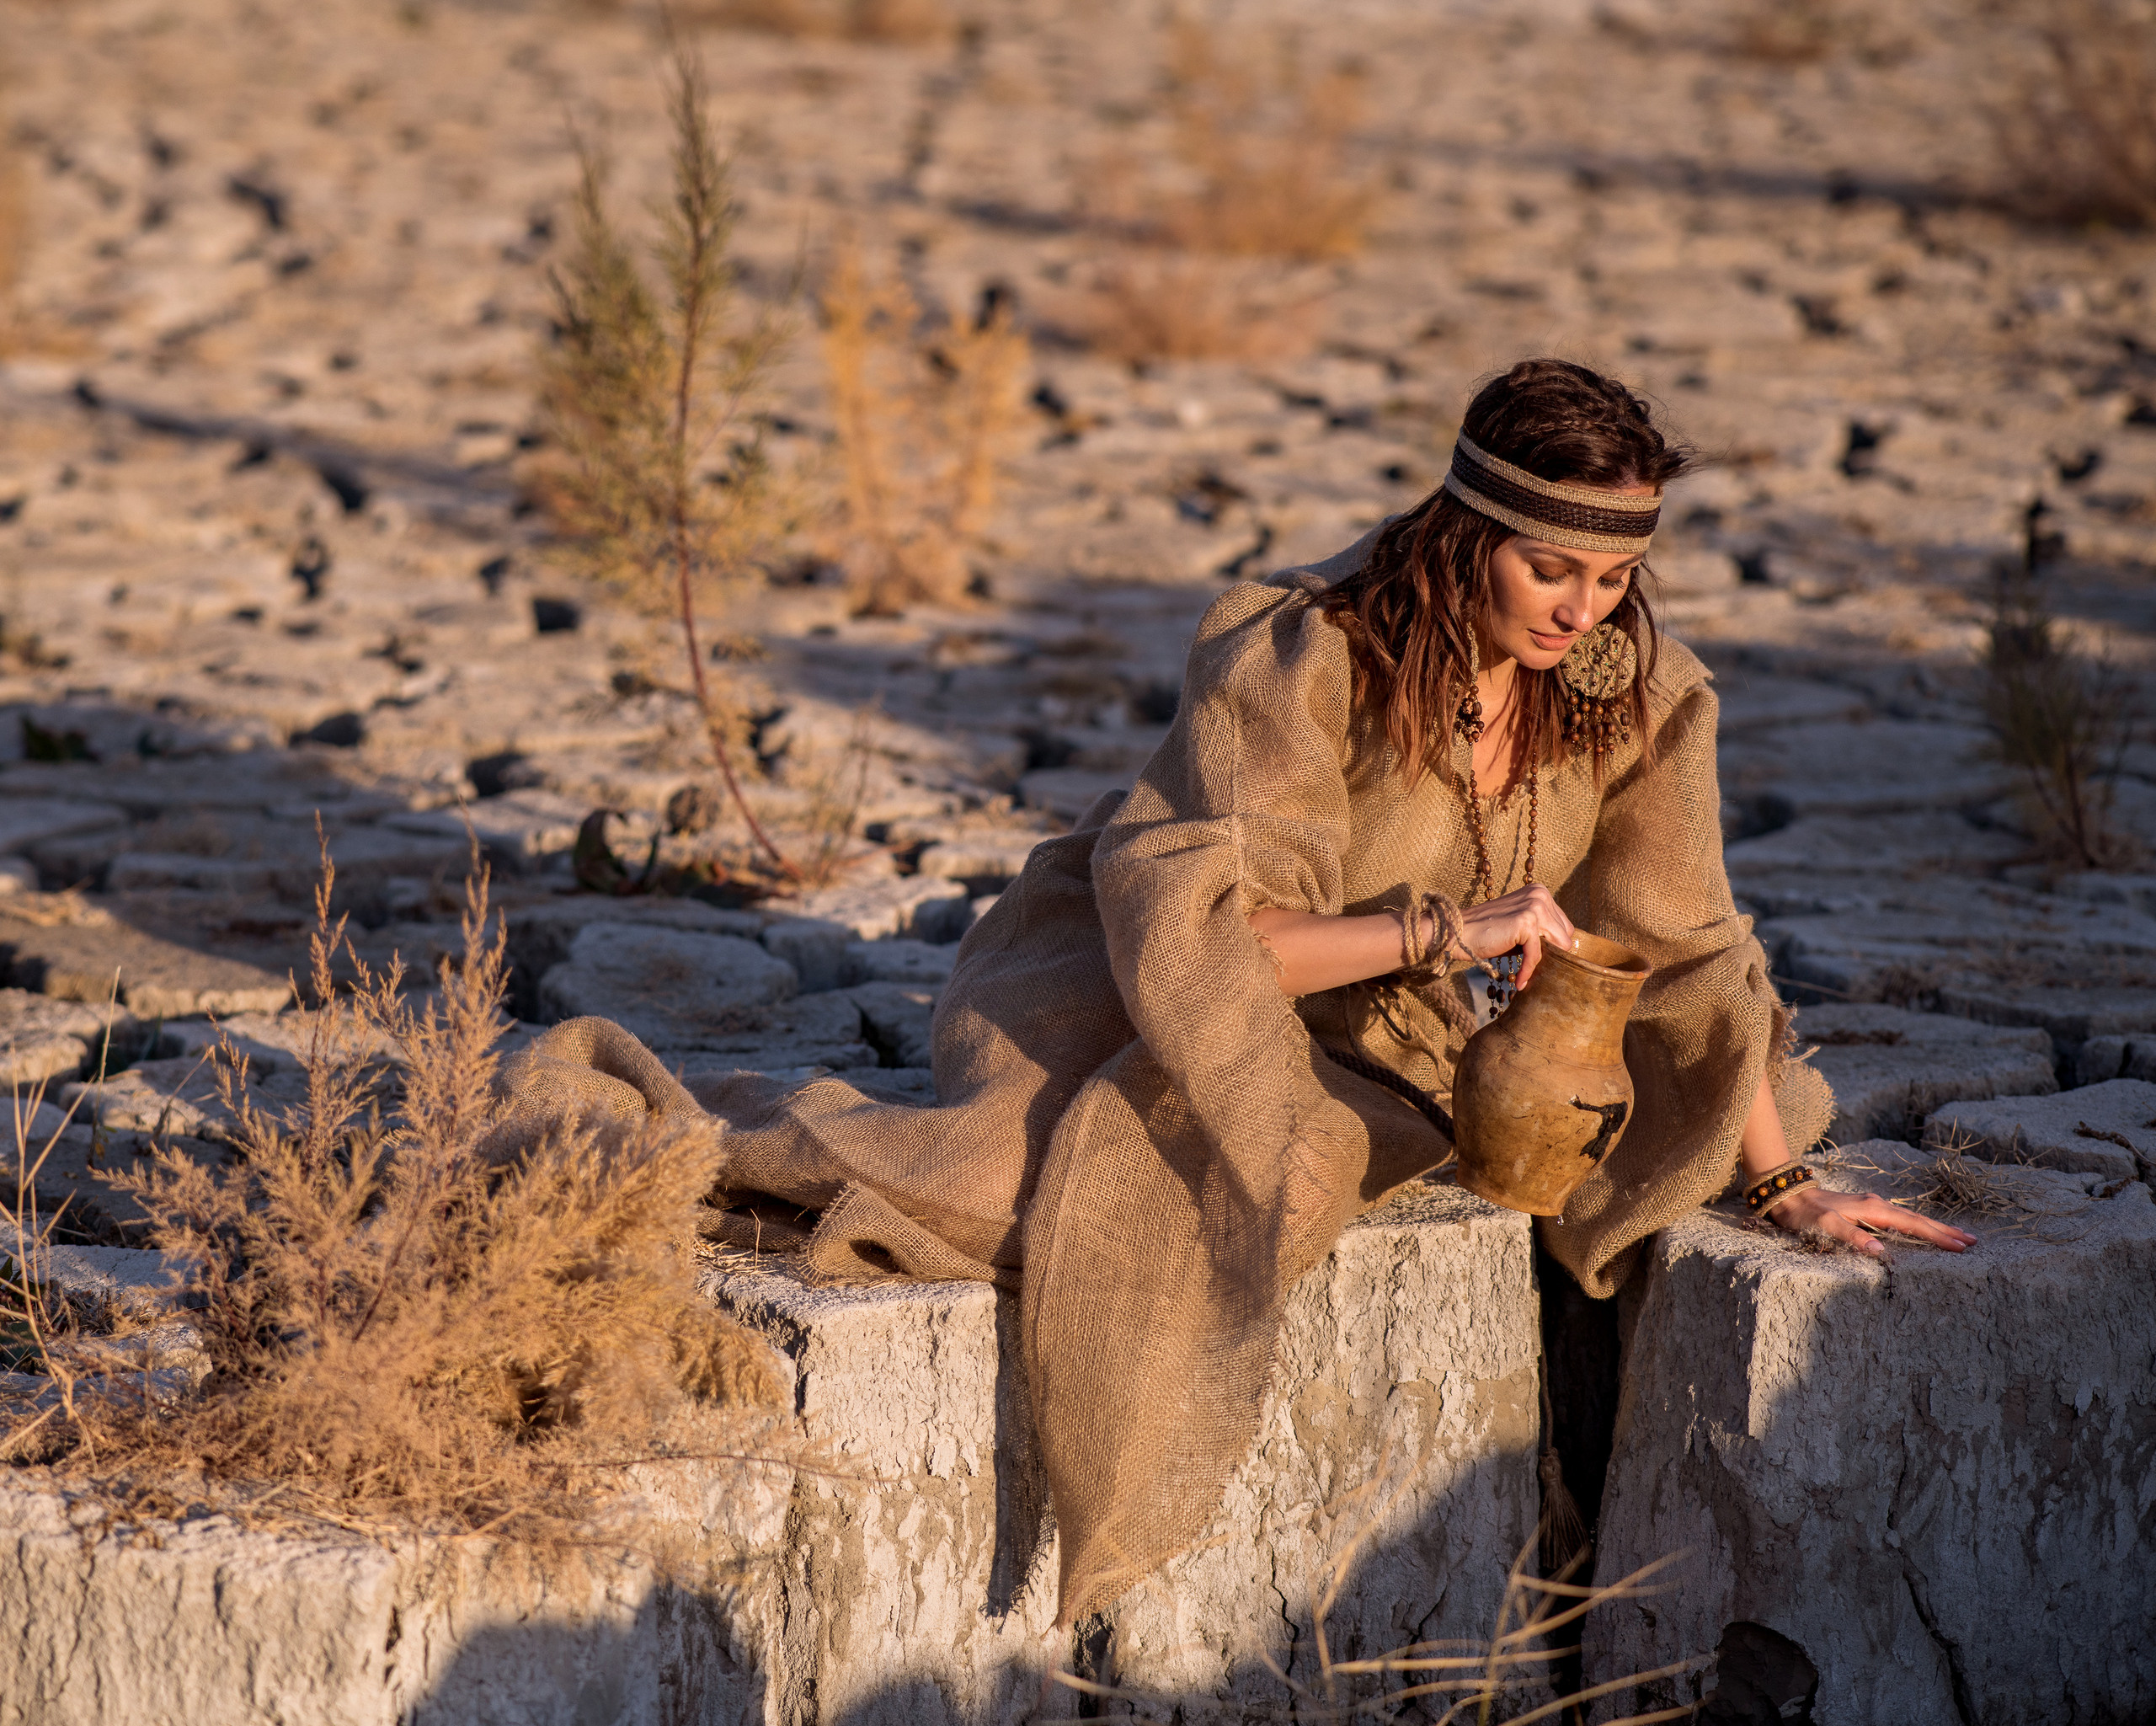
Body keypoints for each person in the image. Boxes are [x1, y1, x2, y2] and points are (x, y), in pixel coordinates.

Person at [507, 357, 1972, 1630]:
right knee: (1010, 1191)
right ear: (1472, 531)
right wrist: (1450, 927)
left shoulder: (1631, 690)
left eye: (1612, 578)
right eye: (1550, 570)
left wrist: (1783, 1189)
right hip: (1135, 970)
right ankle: (675, 1139)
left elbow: (1691, 959)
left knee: (1420, 1138)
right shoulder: (1311, 651)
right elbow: (1227, 940)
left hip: (1387, 1024)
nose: (1580, 611)